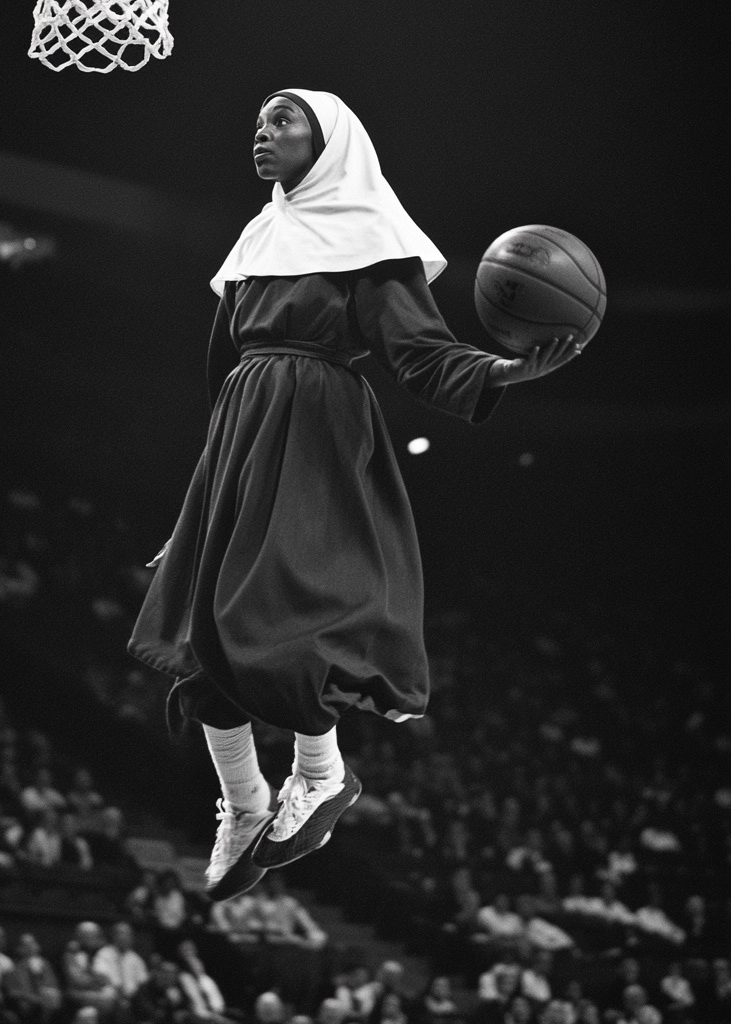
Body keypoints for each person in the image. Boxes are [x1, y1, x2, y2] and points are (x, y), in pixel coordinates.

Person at [128, 89, 581, 902]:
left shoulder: (372, 239)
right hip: (241, 428)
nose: (262, 133)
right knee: (202, 636)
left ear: (330, 141)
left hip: (318, 427)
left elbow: (422, 354)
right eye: (260, 122)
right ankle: (244, 804)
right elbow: (218, 372)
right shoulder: (258, 236)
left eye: (282, 121)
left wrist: (504, 372)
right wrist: (193, 509)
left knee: (272, 622)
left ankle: (322, 773)